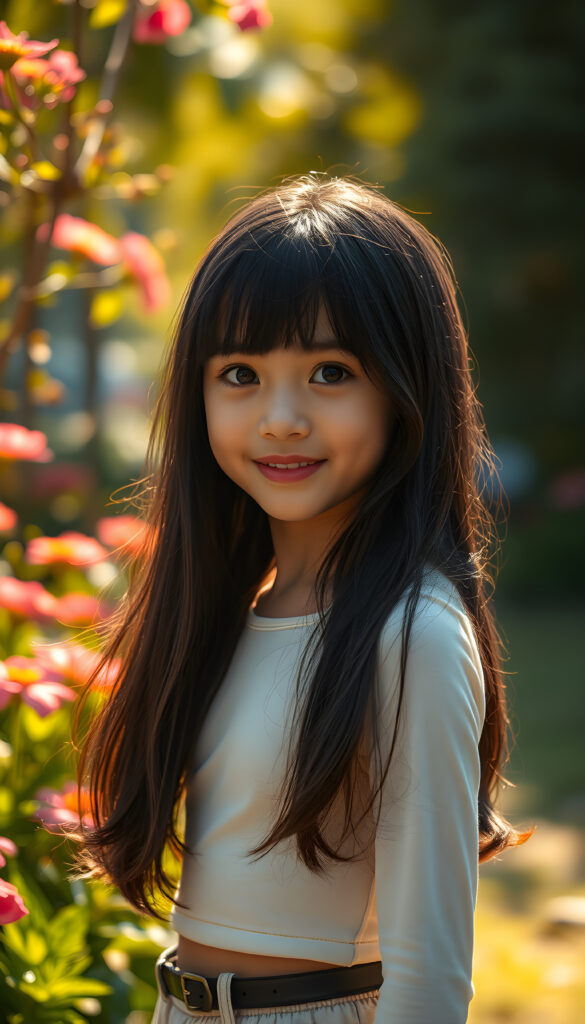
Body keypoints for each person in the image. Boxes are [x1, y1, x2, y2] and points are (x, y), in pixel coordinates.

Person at [74, 173, 534, 1024]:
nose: (280, 418)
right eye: (240, 373)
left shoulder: (411, 633)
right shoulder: (229, 610)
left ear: (408, 391)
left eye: (330, 371)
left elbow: (431, 978)